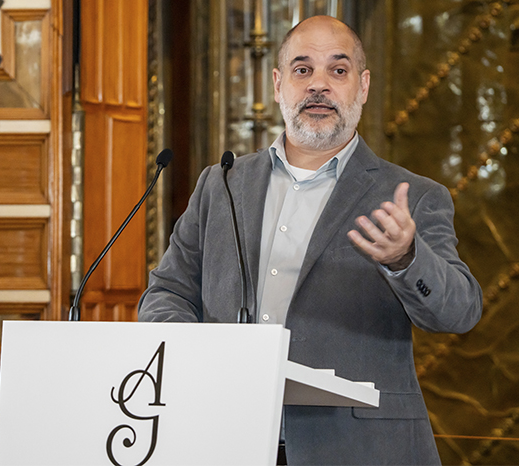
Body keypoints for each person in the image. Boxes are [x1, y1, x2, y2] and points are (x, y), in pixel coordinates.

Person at [138, 15, 482, 465]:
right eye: (302, 69)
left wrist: (406, 258)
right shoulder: (221, 184)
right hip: (226, 439)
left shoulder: (412, 196)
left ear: (362, 86)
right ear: (278, 84)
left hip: (359, 450)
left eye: (338, 70)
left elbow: (460, 311)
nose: (318, 84)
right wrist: (202, 357)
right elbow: (167, 292)